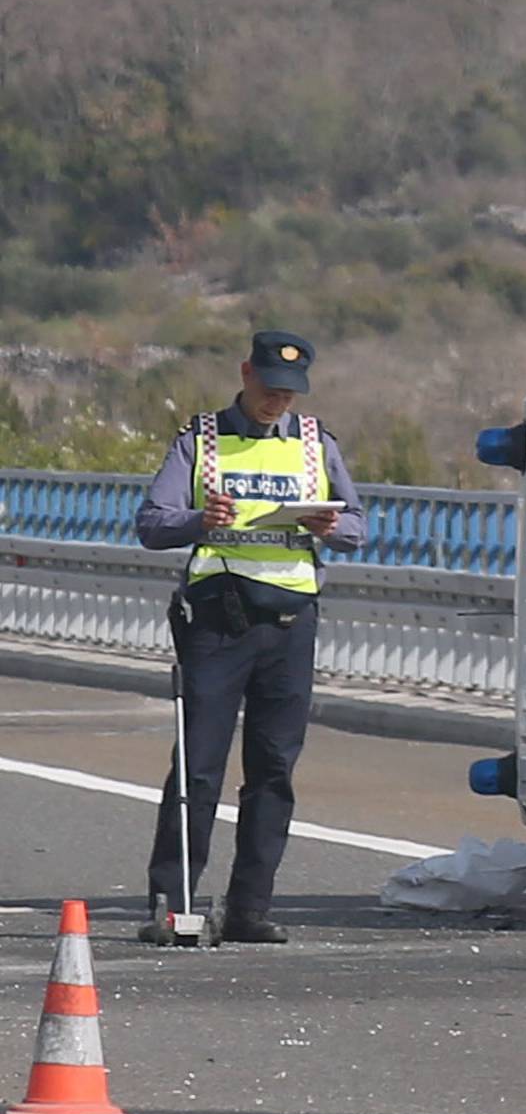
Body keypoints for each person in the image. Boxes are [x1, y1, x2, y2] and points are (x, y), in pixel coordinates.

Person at [134, 331, 365, 944]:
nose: (276, 402)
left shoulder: (316, 443)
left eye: (288, 393)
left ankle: (249, 908)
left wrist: (330, 523)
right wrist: (198, 520)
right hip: (218, 620)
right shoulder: (201, 440)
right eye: (269, 388)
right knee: (199, 767)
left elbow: (358, 527)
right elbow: (151, 524)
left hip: (291, 624)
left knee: (273, 770)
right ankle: (173, 905)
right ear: (246, 374)